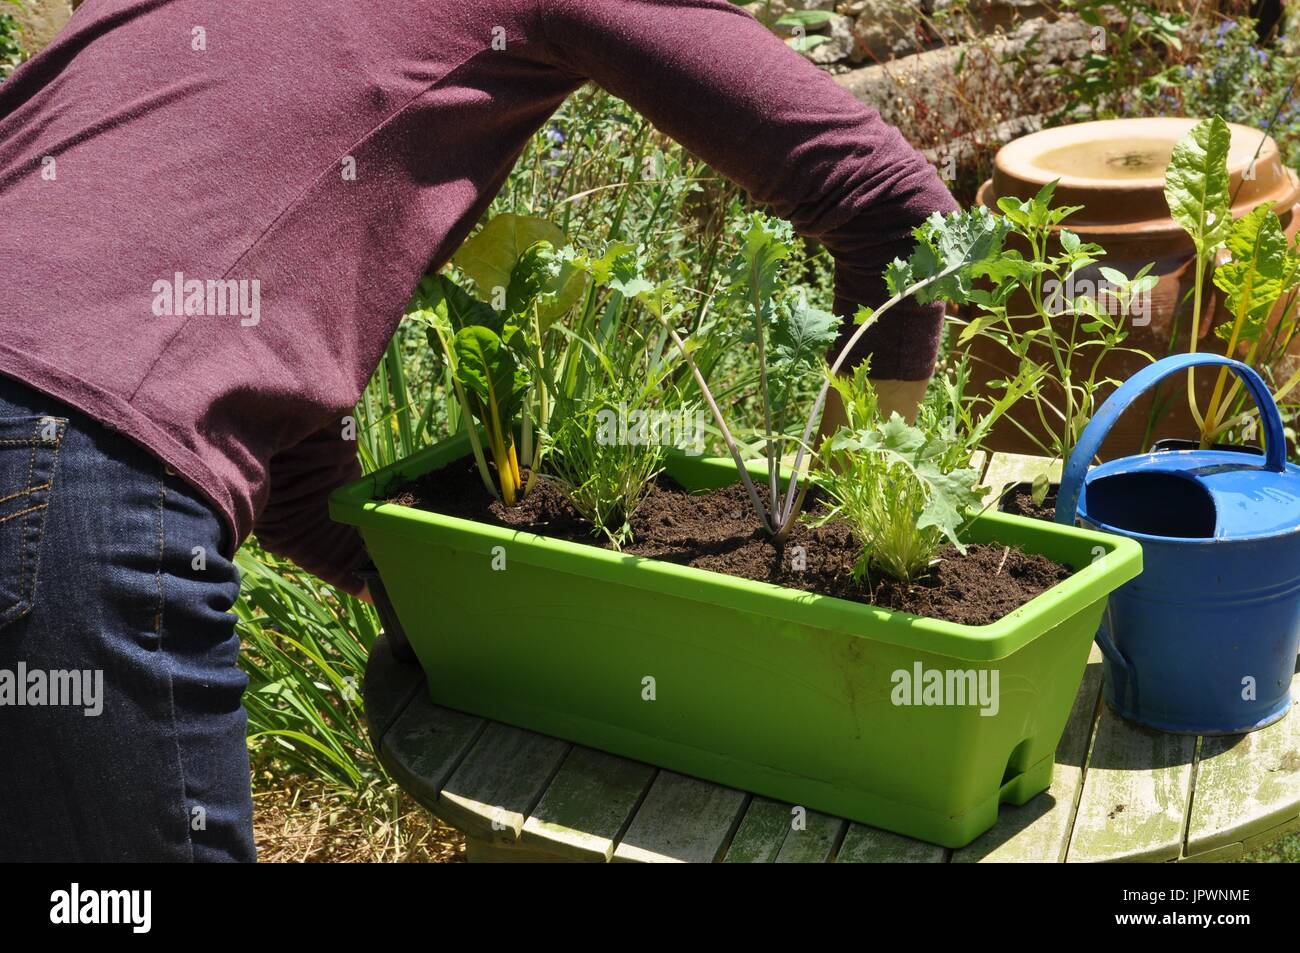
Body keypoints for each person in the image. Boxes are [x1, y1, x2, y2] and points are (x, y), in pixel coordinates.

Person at [0, 0, 956, 862]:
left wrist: (421, 583)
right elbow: (901, 213)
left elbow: (267, 424)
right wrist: (846, 529)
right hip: (67, 456)